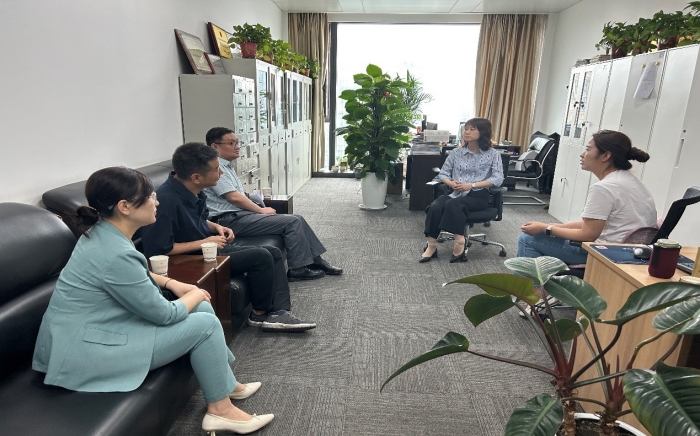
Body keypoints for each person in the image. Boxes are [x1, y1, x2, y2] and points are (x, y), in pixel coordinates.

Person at [32, 167, 274, 435]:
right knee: (204, 323)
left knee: (201, 307)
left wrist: (171, 283)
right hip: (85, 352)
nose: (156, 201)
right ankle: (220, 411)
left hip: (93, 331)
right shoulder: (115, 252)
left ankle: (226, 386)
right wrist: (195, 291)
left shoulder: (102, 234)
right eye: (149, 196)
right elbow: (165, 315)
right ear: (125, 207)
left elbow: (128, 273)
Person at [141, 143, 316, 332]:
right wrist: (205, 242)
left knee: (272, 252)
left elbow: (195, 219)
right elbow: (160, 250)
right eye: (216, 169)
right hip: (187, 259)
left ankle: (278, 311)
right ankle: (261, 315)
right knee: (261, 256)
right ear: (196, 177)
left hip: (206, 248)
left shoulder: (191, 189)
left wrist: (216, 226)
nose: (221, 173)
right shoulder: (166, 201)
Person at [203, 127, 342, 281]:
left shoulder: (227, 166)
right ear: (214, 147)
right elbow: (234, 197)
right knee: (292, 222)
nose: (237, 147)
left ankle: (316, 260)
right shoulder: (216, 169)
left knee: (298, 219)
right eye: (231, 143)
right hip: (228, 220)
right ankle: (297, 270)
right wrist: (260, 210)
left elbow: (238, 195)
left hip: (239, 215)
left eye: (237, 142)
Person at [518, 130, 657, 265]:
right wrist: (551, 226)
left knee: (528, 239)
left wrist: (546, 229)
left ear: (605, 156)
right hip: (631, 250)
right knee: (543, 234)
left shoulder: (604, 187)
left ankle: (532, 281)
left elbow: (588, 235)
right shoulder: (631, 181)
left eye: (588, 149)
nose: (582, 154)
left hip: (607, 253)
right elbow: (591, 224)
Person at [420, 118, 504, 263]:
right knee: (435, 206)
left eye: (472, 129)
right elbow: (443, 174)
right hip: (455, 192)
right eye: (466, 129)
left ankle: (459, 240)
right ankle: (431, 246)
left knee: (453, 205)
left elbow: (497, 179)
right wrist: (451, 183)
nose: (467, 132)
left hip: (478, 195)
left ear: (483, 132)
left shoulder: (493, 154)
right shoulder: (456, 152)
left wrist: (472, 185)